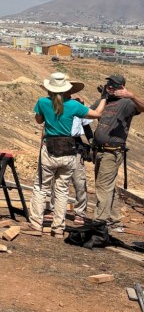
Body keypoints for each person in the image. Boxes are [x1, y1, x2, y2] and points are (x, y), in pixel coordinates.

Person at [29, 72, 106, 236]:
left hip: (49, 149)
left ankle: (36, 224)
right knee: (62, 190)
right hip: (69, 150)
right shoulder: (73, 105)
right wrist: (104, 97)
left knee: (41, 187)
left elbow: (38, 120)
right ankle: (58, 228)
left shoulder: (42, 102)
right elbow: (97, 114)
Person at [91, 74, 144, 232]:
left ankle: (99, 223)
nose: (109, 87)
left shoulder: (127, 102)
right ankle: (114, 221)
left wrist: (132, 96)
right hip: (99, 150)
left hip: (112, 151)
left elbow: (143, 107)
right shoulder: (104, 100)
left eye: (113, 85)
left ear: (121, 87)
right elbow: (90, 113)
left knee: (102, 187)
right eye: (108, 84)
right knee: (108, 187)